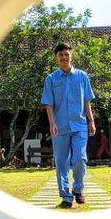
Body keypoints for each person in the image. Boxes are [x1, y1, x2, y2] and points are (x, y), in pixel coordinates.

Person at [40, 42, 96, 208]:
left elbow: (87, 100)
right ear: (56, 58)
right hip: (60, 127)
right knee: (62, 162)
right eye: (60, 55)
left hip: (80, 126)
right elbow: (48, 104)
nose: (64, 57)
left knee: (80, 158)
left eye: (66, 54)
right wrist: (52, 124)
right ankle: (65, 196)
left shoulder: (82, 76)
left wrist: (91, 121)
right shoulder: (51, 79)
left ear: (71, 56)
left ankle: (78, 190)